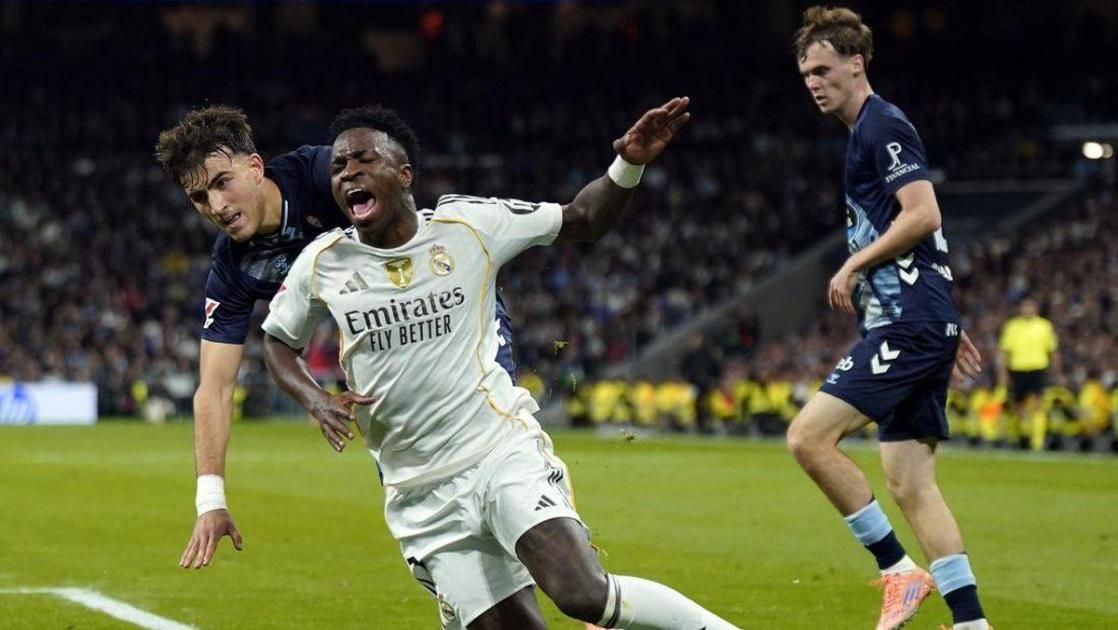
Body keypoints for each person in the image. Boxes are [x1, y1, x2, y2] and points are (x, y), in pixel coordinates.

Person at [261, 100, 738, 630]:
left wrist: (628, 163)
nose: (348, 171)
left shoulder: (469, 225)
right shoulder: (323, 262)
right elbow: (277, 340)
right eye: (338, 166)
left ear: (404, 174)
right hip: (419, 493)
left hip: (498, 453)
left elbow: (583, 218)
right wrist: (315, 398)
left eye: (363, 160)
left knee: (583, 594)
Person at [153, 106, 523, 570]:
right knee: (416, 478)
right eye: (199, 197)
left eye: (222, 182)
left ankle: (561, 553)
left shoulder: (324, 175)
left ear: (255, 167)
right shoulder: (233, 266)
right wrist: (210, 500)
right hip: (385, 346)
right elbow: (215, 387)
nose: (217, 206)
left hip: (450, 310)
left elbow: (403, 200)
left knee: (493, 449)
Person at [785, 7, 990, 630]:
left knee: (808, 439)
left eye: (823, 70)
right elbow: (924, 242)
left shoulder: (882, 124)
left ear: (857, 63)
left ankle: (898, 570)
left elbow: (924, 213)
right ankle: (973, 623)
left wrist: (853, 264)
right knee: (910, 484)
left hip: (907, 324)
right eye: (806, 74)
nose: (814, 83)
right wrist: (943, 315)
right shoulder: (863, 133)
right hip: (919, 321)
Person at [997, 297, 1060, 450]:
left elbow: (1053, 350)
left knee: (1039, 403)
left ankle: (1037, 441)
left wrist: (1057, 370)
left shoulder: (1044, 326)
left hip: (1038, 367)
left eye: (1030, 306)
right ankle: (1020, 437)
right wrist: (1003, 373)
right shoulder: (1012, 326)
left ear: (1036, 309)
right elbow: (1004, 351)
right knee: (1017, 406)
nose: (1027, 309)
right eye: (1024, 306)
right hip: (1018, 368)